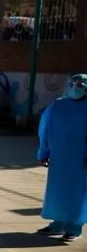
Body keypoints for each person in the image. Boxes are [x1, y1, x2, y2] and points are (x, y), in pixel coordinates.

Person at [36, 73, 87, 242]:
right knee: (58, 192)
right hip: (60, 158)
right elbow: (45, 129)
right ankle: (57, 224)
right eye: (73, 84)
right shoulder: (57, 106)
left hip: (81, 160)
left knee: (78, 194)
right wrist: (44, 152)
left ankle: (74, 228)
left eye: (80, 85)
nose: (75, 88)